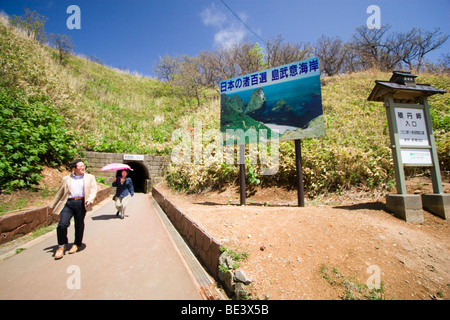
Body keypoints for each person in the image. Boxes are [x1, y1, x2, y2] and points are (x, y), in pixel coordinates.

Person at [50, 160, 97, 260]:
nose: (83, 168)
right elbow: (60, 192)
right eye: (80, 166)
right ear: (74, 169)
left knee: (79, 224)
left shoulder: (90, 177)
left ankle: (77, 244)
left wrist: (90, 199)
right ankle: (61, 246)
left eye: (83, 166)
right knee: (62, 224)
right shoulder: (66, 179)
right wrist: (53, 205)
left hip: (81, 203)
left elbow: (93, 190)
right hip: (68, 203)